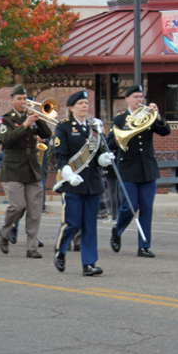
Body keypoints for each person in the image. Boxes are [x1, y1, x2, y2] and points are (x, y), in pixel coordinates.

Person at [52, 91, 115, 276]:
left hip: (92, 183)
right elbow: (60, 157)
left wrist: (104, 158)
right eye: (80, 103)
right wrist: (69, 175)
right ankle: (60, 250)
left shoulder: (93, 128)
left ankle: (89, 263)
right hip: (72, 182)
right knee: (72, 222)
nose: (85, 106)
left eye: (86, 102)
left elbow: (96, 158)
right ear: (71, 108)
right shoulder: (63, 128)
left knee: (89, 225)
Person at [107, 85, 171, 258]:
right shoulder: (120, 119)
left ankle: (144, 246)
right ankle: (117, 230)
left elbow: (166, 131)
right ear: (127, 99)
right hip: (128, 168)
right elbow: (111, 142)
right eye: (135, 97)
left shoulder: (149, 116)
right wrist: (128, 131)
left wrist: (158, 116)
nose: (139, 100)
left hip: (148, 168)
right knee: (130, 205)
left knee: (147, 208)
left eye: (141, 97)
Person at [0, 85, 53, 259]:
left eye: (25, 99)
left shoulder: (32, 117)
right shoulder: (4, 119)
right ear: (12, 100)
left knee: (35, 209)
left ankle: (32, 247)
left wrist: (38, 118)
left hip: (32, 167)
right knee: (17, 206)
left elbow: (47, 133)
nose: (23, 102)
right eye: (19, 99)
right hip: (13, 168)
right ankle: (5, 232)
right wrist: (25, 125)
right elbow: (6, 140)